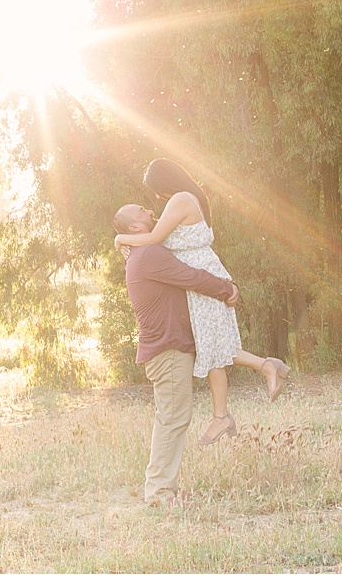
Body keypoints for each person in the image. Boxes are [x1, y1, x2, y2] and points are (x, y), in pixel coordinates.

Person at [114, 158, 290, 448]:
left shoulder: (181, 199)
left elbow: (156, 237)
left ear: (165, 182)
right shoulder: (182, 199)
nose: (155, 200)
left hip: (202, 277)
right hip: (200, 277)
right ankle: (226, 410)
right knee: (211, 344)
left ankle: (260, 374)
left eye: (156, 191)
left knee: (212, 345)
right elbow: (155, 237)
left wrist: (121, 238)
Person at [113, 201, 240, 506]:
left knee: (173, 417)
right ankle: (159, 493)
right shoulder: (149, 254)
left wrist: (119, 241)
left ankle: (163, 489)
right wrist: (227, 288)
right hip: (167, 350)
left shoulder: (143, 250)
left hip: (167, 348)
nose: (148, 210)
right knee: (172, 418)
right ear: (135, 227)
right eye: (141, 210)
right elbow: (190, 277)